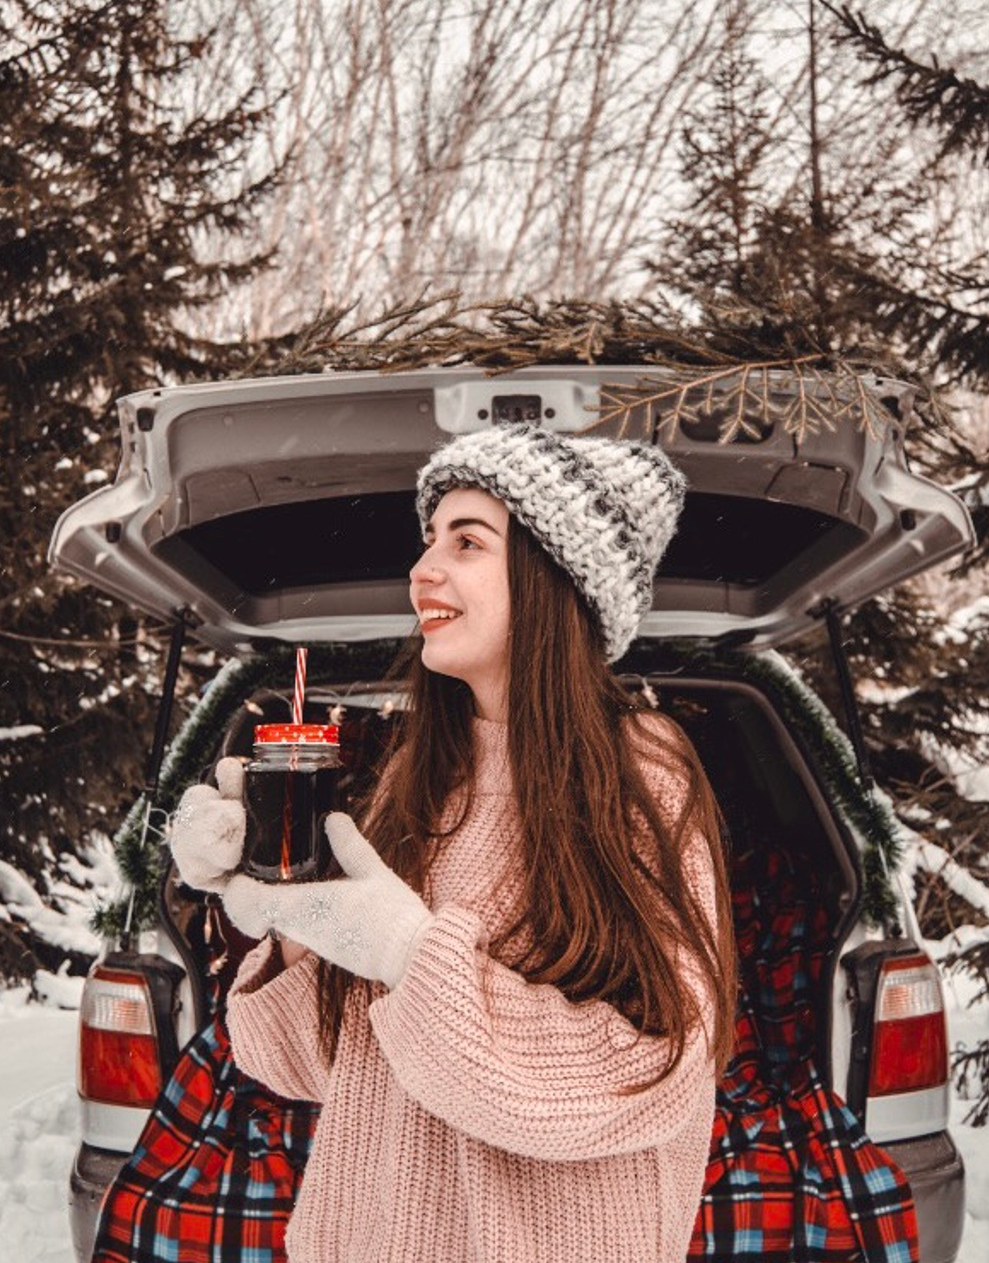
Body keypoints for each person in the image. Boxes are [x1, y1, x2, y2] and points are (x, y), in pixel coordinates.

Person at [168, 423, 737, 1262]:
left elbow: (647, 1075)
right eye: (429, 540)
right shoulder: (418, 778)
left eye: (467, 541)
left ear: (557, 579)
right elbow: (314, 1066)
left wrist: (408, 952)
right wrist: (283, 912)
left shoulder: (641, 776)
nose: (421, 570)